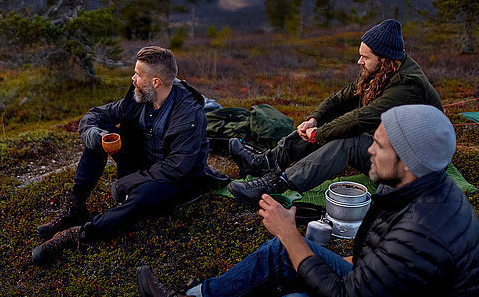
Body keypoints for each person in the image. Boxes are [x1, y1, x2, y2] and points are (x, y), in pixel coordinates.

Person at [137, 104, 479, 297]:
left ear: (407, 160)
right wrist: (324, 254)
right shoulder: (417, 188)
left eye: (380, 146)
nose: (369, 151)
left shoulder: (420, 234)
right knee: (282, 255)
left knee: (290, 275)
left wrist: (290, 234)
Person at [32, 46, 229, 263]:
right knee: (103, 133)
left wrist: (127, 182)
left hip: (177, 180)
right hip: (143, 162)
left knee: (141, 197)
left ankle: (80, 234)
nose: (133, 78)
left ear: (156, 82)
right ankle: (76, 205)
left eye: (138, 74)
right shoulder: (141, 96)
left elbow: (177, 167)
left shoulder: (188, 114)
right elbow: (97, 114)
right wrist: (95, 136)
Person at [227, 19, 443, 204]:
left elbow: (360, 119)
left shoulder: (407, 86)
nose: (360, 61)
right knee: (331, 122)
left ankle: (278, 184)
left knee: (348, 141)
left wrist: (318, 135)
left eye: (365, 57)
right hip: (394, 148)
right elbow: (341, 99)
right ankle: (268, 161)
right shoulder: (385, 69)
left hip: (415, 167)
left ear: (383, 59)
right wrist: (314, 120)